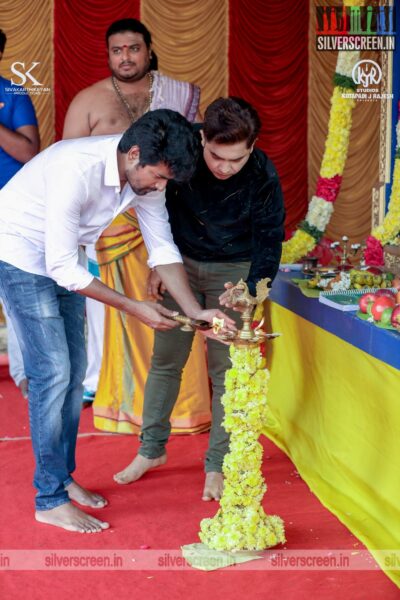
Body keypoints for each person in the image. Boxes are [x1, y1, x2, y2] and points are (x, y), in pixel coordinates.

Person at [0, 109, 233, 533]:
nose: (160, 187)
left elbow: (161, 246)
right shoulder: (77, 169)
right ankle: (48, 498)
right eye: (159, 177)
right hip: (18, 254)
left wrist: (194, 309)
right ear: (135, 154)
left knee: (71, 378)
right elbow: (65, 271)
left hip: (64, 257)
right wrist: (135, 307)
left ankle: (63, 479)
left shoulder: (144, 176)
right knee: (52, 373)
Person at [114, 97, 286, 501]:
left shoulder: (262, 171)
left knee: (225, 371)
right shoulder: (183, 150)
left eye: (236, 159)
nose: (225, 167)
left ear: (253, 146)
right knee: (165, 360)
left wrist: (252, 290)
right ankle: (150, 450)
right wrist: (159, 265)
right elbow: (157, 207)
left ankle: (218, 465)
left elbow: (270, 236)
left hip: (234, 272)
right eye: (216, 156)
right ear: (202, 137)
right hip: (182, 267)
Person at [63, 19, 210, 431]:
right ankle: (110, 393)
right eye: (117, 50)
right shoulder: (88, 101)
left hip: (162, 210)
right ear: (108, 55)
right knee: (106, 315)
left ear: (148, 50)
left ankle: (177, 403)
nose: (125, 57)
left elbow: (186, 161)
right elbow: (73, 169)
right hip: (106, 227)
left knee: (170, 301)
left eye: (133, 48)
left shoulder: (177, 94)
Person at [0, 28, 40, 398]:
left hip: (9, 207)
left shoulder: (12, 93)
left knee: (14, 294)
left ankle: (26, 374)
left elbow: (30, 152)